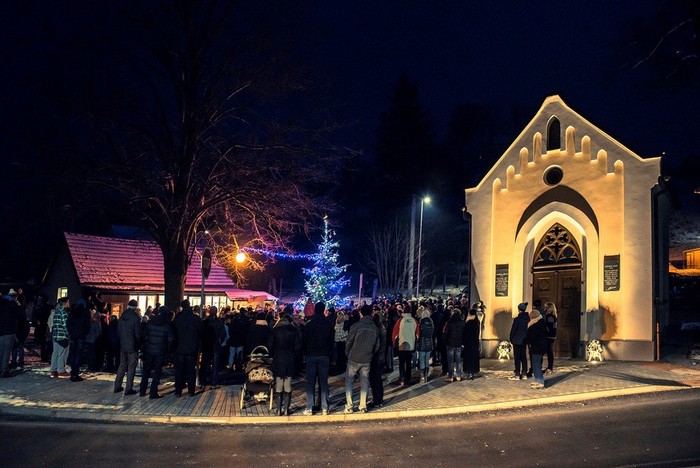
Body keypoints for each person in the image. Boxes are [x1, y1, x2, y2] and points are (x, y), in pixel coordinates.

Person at [344, 305, 379, 413]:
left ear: (361, 314)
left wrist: (348, 353)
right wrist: (370, 353)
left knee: (349, 381)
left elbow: (349, 341)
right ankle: (363, 405)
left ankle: (349, 406)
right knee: (364, 382)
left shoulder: (356, 326)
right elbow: (377, 345)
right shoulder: (374, 328)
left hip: (354, 357)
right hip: (367, 358)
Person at [302, 302, 334, 415]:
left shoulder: (309, 325)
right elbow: (331, 342)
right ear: (324, 310)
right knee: (323, 382)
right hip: (324, 355)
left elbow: (304, 341)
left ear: (315, 310)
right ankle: (325, 407)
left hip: (311, 355)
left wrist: (306, 353)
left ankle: (310, 407)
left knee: (310, 382)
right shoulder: (329, 324)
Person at [269, 306, 300, 416]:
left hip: (278, 358)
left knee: (278, 384)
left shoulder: (275, 330)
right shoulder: (293, 330)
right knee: (287, 384)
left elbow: (270, 345)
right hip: (290, 359)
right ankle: (286, 409)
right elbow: (297, 347)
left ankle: (278, 410)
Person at [139, 306, 174, 399]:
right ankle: (153, 392)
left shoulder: (150, 322)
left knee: (146, 370)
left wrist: (145, 345)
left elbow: (144, 335)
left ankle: (142, 390)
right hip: (161, 350)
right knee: (157, 371)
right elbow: (170, 339)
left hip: (149, 349)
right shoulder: (167, 324)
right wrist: (168, 350)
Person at [173, 300, 203, 397]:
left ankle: (178, 391)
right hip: (192, 348)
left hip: (179, 348)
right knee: (191, 370)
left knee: (179, 370)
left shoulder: (178, 318)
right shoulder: (196, 318)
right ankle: (191, 391)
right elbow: (201, 332)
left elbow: (173, 333)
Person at [114, 299, 142, 395]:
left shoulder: (122, 316)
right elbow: (137, 334)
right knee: (131, 367)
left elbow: (118, 331)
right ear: (136, 307)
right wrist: (139, 343)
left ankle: (117, 386)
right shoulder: (136, 318)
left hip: (123, 345)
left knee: (122, 366)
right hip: (132, 346)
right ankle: (128, 388)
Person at [199, 306, 226, 389]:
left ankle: (203, 382)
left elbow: (201, 333)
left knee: (204, 364)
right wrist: (220, 341)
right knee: (215, 365)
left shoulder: (205, 321)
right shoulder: (219, 322)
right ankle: (214, 383)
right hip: (215, 345)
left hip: (206, 345)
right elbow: (223, 334)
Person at [0, 289, 24, 377]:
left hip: (1, 331)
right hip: (10, 331)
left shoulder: (2, 305)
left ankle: (1, 368)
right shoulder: (13, 305)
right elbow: (20, 316)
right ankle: (4, 370)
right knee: (6, 352)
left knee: (1, 351)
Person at [392, 306, 417, 386]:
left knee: (402, 363)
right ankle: (408, 379)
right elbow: (417, 334)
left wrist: (394, 344)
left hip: (401, 345)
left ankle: (402, 378)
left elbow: (395, 334)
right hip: (410, 345)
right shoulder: (414, 321)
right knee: (409, 363)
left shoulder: (400, 321)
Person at [67, 299, 91, 382]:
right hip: (81, 336)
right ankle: (75, 373)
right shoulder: (85, 312)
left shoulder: (73, 312)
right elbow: (87, 325)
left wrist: (71, 332)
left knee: (73, 354)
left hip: (73, 336)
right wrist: (85, 333)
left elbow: (68, 323)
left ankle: (73, 371)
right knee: (78, 354)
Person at [508, 302, 530, 380]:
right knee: (523, 356)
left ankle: (517, 373)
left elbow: (513, 330)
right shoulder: (528, 319)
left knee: (517, 357)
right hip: (524, 340)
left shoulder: (517, 319)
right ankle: (524, 373)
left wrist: (511, 338)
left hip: (516, 340)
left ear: (519, 309)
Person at [369, 309, 386, 408]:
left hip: (376, 357)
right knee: (378, 379)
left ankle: (376, 400)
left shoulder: (376, 330)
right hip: (381, 356)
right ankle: (379, 399)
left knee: (374, 379)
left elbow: (376, 345)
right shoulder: (382, 328)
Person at [443, 308, 465, 382]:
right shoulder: (462, 323)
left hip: (450, 343)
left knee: (450, 361)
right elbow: (464, 333)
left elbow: (445, 332)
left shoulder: (449, 322)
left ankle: (451, 376)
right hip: (459, 343)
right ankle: (458, 376)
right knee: (458, 360)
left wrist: (445, 340)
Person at [526, 308, 547, 389]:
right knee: (537, 363)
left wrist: (527, 339)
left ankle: (540, 381)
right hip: (540, 346)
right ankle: (537, 379)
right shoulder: (541, 322)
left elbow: (531, 336)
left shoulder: (535, 325)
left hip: (536, 347)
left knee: (536, 364)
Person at [416, 308, 434, 383]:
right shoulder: (432, 324)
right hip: (429, 343)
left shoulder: (421, 324)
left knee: (422, 360)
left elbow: (419, 335)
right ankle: (426, 376)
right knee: (426, 360)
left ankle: (422, 376)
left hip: (422, 344)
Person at [462, 307, 480, 380]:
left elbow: (465, 333)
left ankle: (469, 372)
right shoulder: (477, 322)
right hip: (475, 342)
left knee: (468, 358)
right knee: (473, 357)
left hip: (468, 343)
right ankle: (473, 372)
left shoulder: (469, 323)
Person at [543, 302, 558, 373]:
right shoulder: (552, 316)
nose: (544, 308)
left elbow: (549, 327)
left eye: (546, 307)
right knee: (549, 351)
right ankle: (549, 367)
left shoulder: (550, 317)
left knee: (549, 351)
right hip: (551, 336)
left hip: (549, 336)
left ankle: (550, 367)